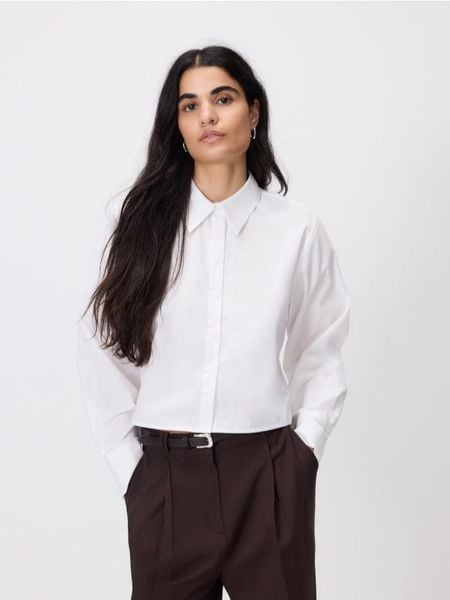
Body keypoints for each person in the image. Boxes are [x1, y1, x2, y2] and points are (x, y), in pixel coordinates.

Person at [75, 45, 350, 600]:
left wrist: (303, 454)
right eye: (190, 105)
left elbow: (320, 347)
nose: (207, 116)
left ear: (253, 112)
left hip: (269, 476)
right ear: (177, 125)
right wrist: (132, 469)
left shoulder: (296, 230)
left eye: (223, 99)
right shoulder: (136, 225)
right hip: (166, 480)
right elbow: (102, 345)